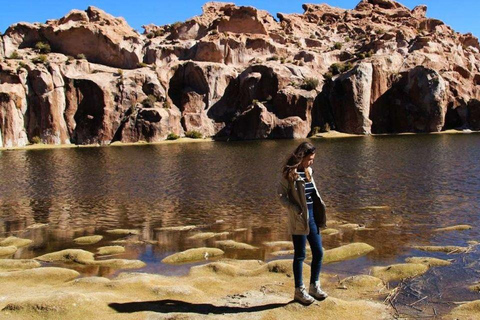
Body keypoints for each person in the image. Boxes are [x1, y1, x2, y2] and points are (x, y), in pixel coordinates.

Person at [277, 142, 328, 305]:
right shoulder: (289, 174)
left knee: (318, 252)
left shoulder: (309, 171)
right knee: (300, 255)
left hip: (312, 215)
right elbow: (280, 195)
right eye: (310, 159)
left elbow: (313, 193)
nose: (312, 161)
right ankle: (299, 291)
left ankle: (314, 286)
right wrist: (293, 208)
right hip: (299, 218)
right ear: (301, 157)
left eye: (313, 159)